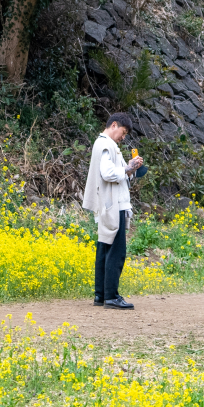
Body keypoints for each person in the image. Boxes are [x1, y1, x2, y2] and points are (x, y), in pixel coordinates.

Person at [82, 112, 144, 310]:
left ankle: (101, 294)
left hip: (107, 202)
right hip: (113, 204)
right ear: (114, 125)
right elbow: (108, 173)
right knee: (116, 251)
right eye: (123, 132)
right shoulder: (107, 144)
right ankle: (111, 296)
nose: (123, 137)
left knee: (104, 248)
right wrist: (128, 168)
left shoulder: (102, 144)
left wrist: (130, 169)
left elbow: (113, 173)